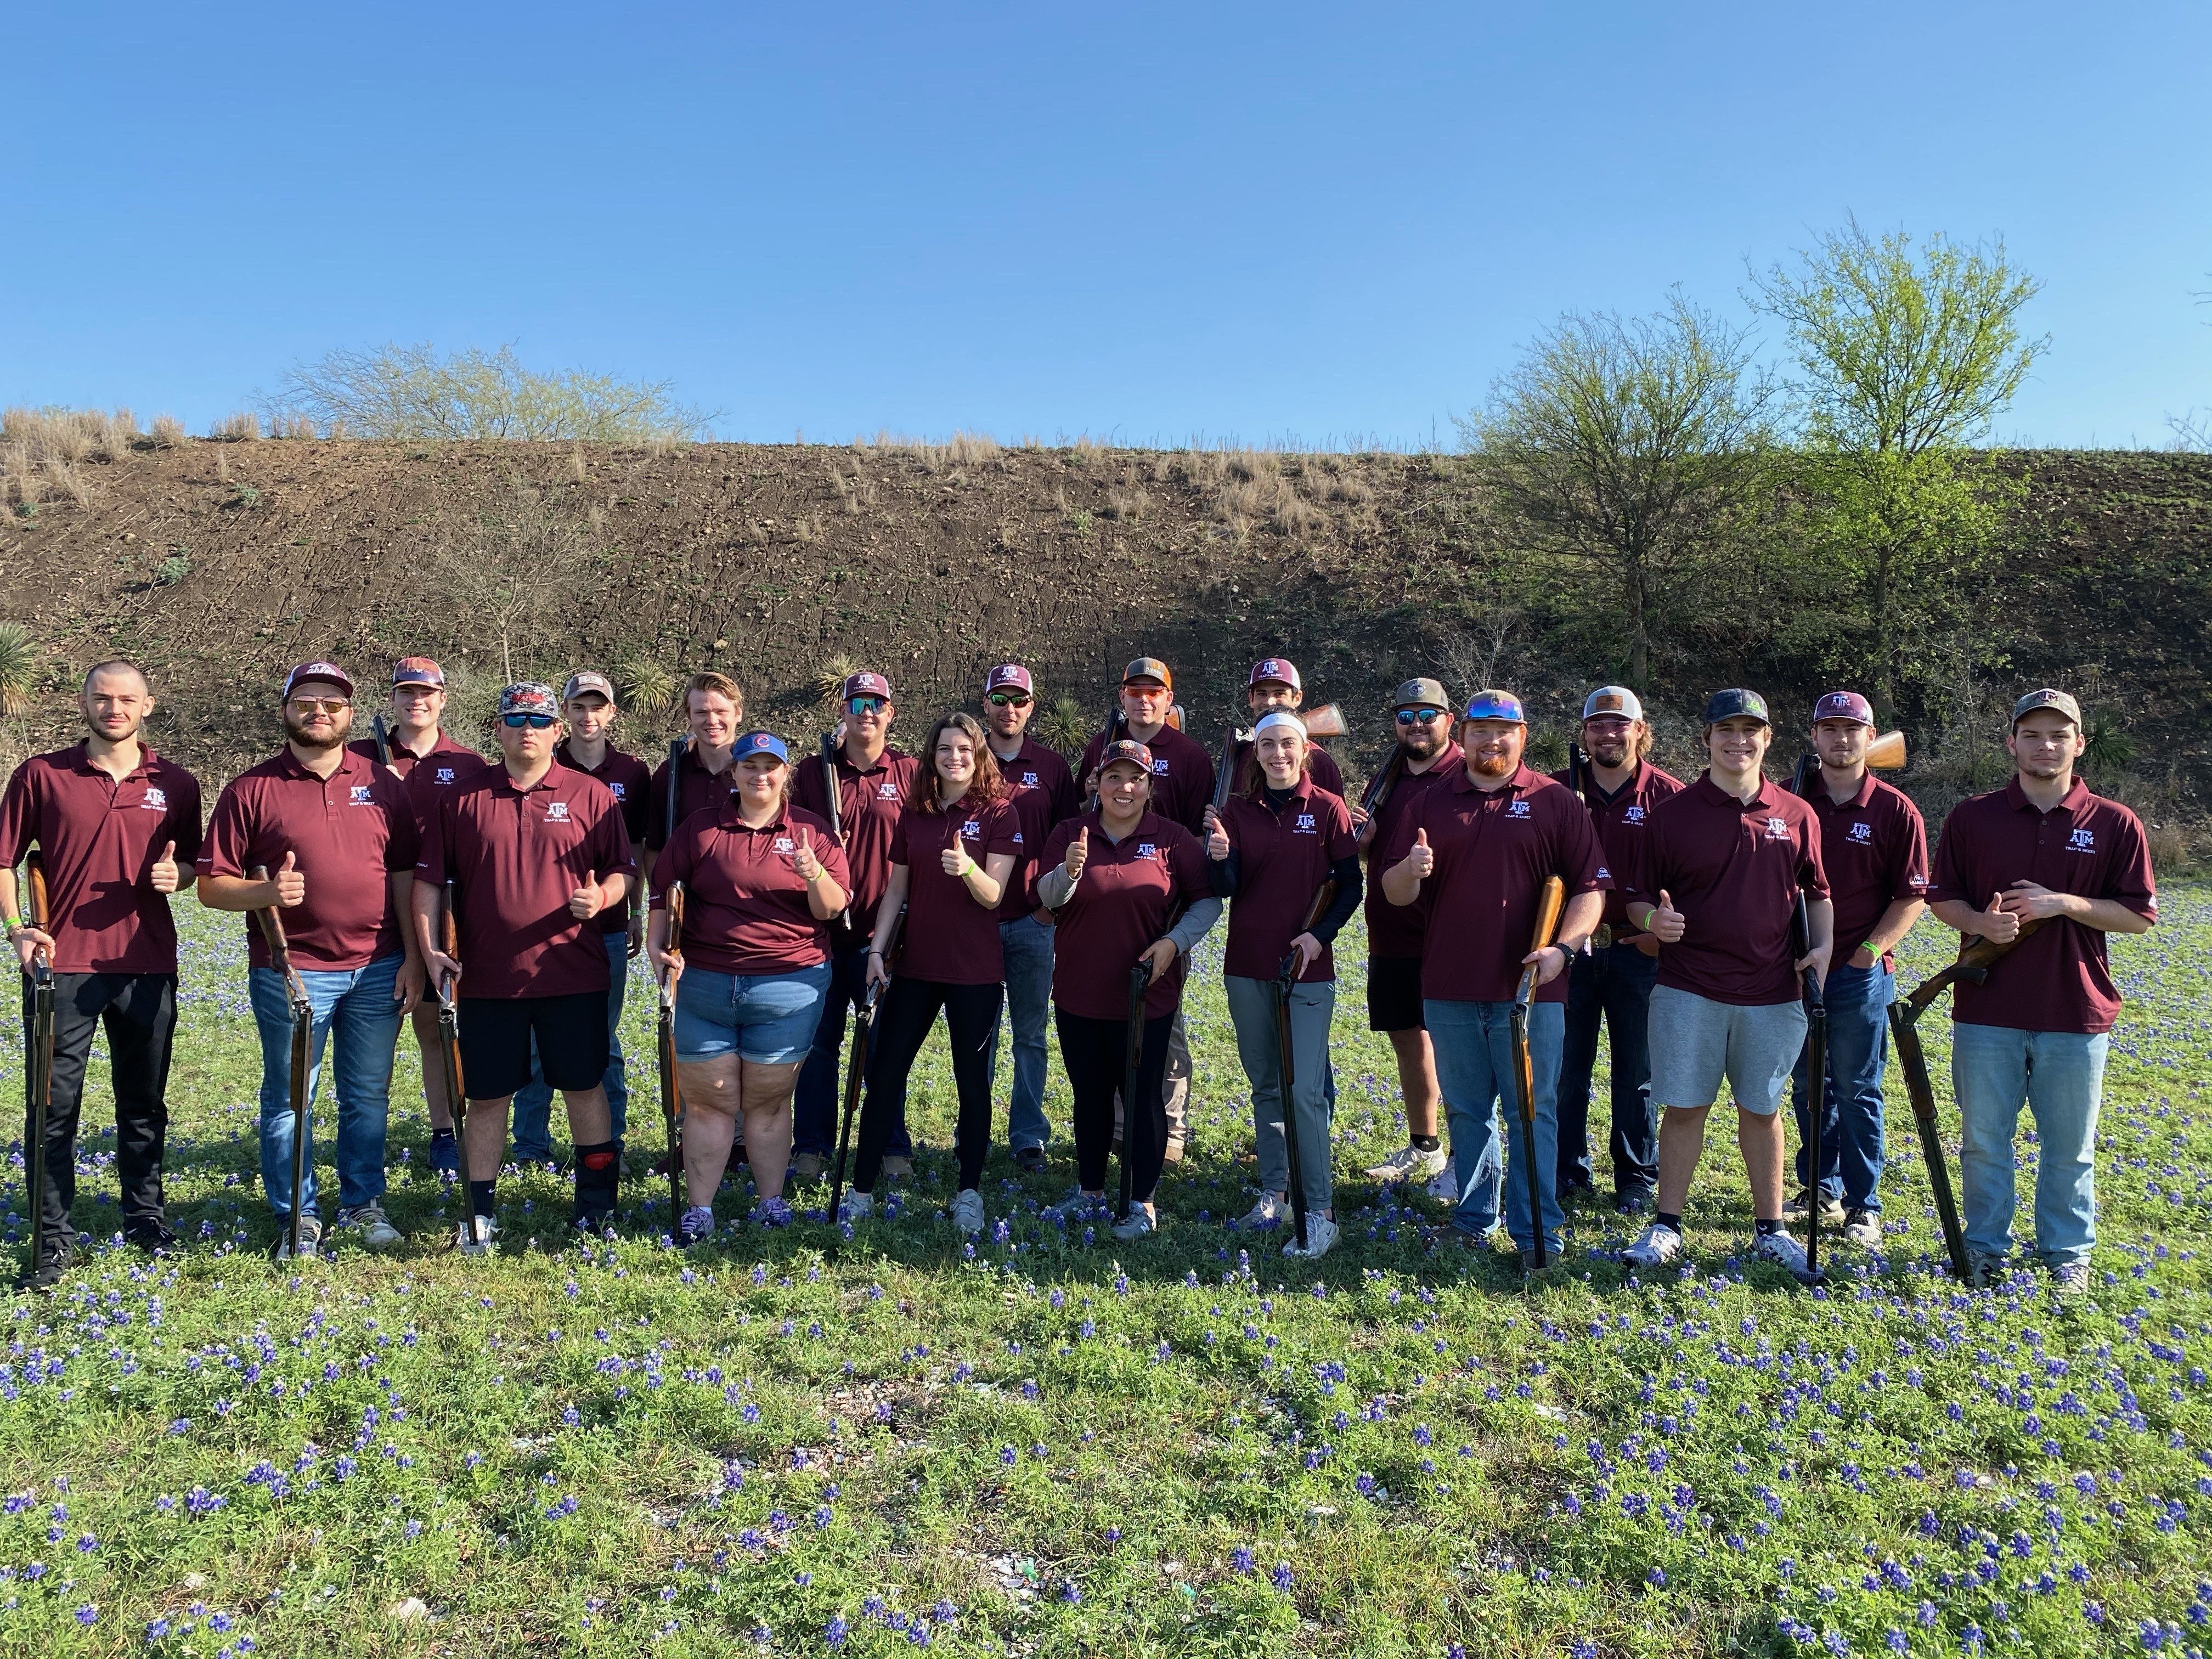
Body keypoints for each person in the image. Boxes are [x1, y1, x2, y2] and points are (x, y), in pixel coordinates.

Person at [1926, 688, 2155, 1294]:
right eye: (2033, 734)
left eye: (2059, 735)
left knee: (2070, 1148)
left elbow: (2138, 915)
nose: (2045, 745)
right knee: (1982, 1141)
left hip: (2075, 1011)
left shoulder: (2114, 822)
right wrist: (1979, 923)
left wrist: (2063, 905)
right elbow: (1941, 896)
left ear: (2079, 744)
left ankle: (2066, 1254)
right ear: (2012, 743)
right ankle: (1984, 1248)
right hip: (1986, 1008)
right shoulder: (1973, 817)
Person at [197, 662, 427, 1257]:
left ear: (350, 715)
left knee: (368, 1095)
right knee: (291, 1097)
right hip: (291, 969)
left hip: (378, 967)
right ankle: (297, 1214)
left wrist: (413, 958)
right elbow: (212, 885)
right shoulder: (250, 789)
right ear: (286, 710)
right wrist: (266, 894)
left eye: (332, 703)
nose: (319, 712)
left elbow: (402, 876)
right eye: (306, 701)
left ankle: (362, 1204)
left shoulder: (384, 784)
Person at [1380, 691, 1606, 1271]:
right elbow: (1393, 892)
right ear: (1465, 736)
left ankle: (1539, 1231)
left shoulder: (1556, 802)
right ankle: (1474, 1219)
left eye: (1504, 731)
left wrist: (1563, 948)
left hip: (1534, 990)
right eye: (1481, 731)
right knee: (1466, 1109)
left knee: (1533, 1112)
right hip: (1450, 984)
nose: (1492, 741)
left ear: (1523, 737)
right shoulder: (1429, 803)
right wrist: (1408, 870)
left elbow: (1589, 889)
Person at [1617, 690, 1830, 1279]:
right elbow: (1635, 899)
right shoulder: (1673, 815)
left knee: (1761, 1110)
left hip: (1773, 991)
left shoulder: (1797, 814)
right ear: (1706, 739)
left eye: (1751, 731)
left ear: (1768, 738)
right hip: (1690, 988)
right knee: (1684, 1108)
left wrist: (1824, 949)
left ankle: (1771, 1229)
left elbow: (1817, 892)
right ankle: (1667, 1225)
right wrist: (1652, 922)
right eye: (1726, 731)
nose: (1739, 741)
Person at [1, 661, 201, 1286]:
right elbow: (4, 860)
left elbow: (193, 865)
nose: (114, 709)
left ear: (148, 705)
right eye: (102, 699)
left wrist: (181, 878)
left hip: (146, 964)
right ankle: (52, 1236)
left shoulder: (177, 782)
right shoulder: (41, 775)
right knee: (53, 1107)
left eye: (126, 700)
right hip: (61, 967)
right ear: (84, 703)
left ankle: (145, 1218)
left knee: (144, 1104)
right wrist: (18, 929)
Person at [414, 684, 636, 1251]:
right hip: (488, 979)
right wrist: (430, 950)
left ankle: (595, 1207)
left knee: (585, 1088)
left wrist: (603, 900)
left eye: (540, 720)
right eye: (516, 719)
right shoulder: (463, 799)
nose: (528, 729)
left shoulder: (592, 796)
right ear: (498, 729)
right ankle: (479, 1214)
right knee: (487, 1097)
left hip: (574, 974)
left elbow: (621, 872)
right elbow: (429, 883)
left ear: (558, 730)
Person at [648, 732, 850, 1243]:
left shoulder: (813, 832)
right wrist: (657, 946)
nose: (761, 776)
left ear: (786, 775)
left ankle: (770, 1201)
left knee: (769, 1100)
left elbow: (833, 908)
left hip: (789, 984)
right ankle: (701, 1209)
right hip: (706, 984)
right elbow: (663, 891)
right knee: (710, 1101)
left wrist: (813, 873)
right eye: (750, 766)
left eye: (771, 767)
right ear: (733, 774)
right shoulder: (701, 829)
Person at [840, 713, 1020, 1232]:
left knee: (972, 1084)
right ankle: (862, 1189)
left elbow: (995, 896)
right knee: (886, 1074)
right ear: (931, 756)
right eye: (945, 749)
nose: (955, 757)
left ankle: (969, 1191)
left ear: (979, 754)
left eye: (965, 749)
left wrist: (967, 868)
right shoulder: (914, 814)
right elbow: (896, 890)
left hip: (975, 974)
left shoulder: (1000, 814)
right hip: (917, 967)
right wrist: (877, 950)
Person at [1036, 741, 1221, 1240]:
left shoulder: (1173, 840)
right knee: (1089, 1095)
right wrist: (1069, 872)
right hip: (1079, 993)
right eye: (1114, 777)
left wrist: (1173, 944)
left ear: (1150, 787)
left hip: (1147, 998)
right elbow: (1046, 899)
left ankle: (1142, 1202)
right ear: (1097, 783)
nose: (1126, 787)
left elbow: (1207, 903)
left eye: (1136, 778)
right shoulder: (1069, 834)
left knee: (1142, 1101)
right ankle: (1090, 1189)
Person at [1205, 711, 1362, 1258]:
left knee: (1306, 1093)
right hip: (1246, 966)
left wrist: (1319, 936)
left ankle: (1319, 1210)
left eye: (1287, 744)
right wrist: (1220, 858)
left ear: (1305, 751)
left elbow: (1350, 886)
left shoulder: (1328, 809)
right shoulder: (1237, 812)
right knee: (1267, 1085)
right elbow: (1227, 888)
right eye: (1267, 745)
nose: (1277, 754)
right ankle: (1275, 1192)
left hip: (1307, 972)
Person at [1784, 691, 1927, 1250]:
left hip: (1859, 970)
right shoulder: (1790, 800)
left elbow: (1912, 895)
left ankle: (1864, 1204)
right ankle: (1820, 1185)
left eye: (1853, 729)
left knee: (1858, 1090)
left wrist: (1871, 950)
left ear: (1872, 739)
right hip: (1797, 968)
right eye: (1830, 729)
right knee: (1806, 1086)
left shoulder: (1896, 809)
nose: (1841, 740)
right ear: (1814, 737)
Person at [350, 656, 489, 1177]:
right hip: (378, 908)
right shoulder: (359, 758)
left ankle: (460, 1125)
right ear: (392, 700)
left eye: (426, 693)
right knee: (404, 1028)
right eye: (406, 693)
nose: (416, 702)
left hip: (447, 908)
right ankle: (426, 1130)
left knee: (447, 1024)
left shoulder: (470, 764)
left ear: (443, 699)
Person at [1076, 658, 1216, 1164]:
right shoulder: (1102, 745)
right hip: (1107, 897)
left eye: (1154, 691)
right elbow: (1083, 810)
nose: (1144, 699)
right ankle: (1119, 1124)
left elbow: (1203, 829)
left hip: (1167, 905)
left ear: (1168, 699)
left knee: (1164, 1022)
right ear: (1123, 696)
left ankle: (1171, 1127)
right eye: (1135, 690)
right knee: (1108, 1019)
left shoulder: (1192, 756)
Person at [1550, 686, 1682, 1215]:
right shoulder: (1553, 793)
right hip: (1571, 953)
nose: (1609, 733)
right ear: (1584, 735)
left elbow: (1688, 877)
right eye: (1598, 725)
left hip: (1639, 954)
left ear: (1640, 730)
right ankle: (1565, 1168)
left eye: (1619, 724)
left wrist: (1658, 936)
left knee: (1637, 1075)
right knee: (1566, 1070)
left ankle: (1635, 1177)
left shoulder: (1671, 797)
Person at [511, 672, 652, 1165]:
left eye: (598, 707)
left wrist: (634, 912)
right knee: (531, 1041)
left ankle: (607, 1142)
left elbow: (631, 852)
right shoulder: (541, 760)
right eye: (578, 707)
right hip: (538, 932)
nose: (588, 716)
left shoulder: (634, 772)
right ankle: (530, 1143)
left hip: (607, 930)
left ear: (612, 712)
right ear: (563, 715)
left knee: (602, 1039)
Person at [792, 672, 919, 1180]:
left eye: (878, 704)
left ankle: (891, 1144)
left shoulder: (910, 772)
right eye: (858, 702)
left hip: (883, 939)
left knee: (884, 1050)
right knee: (819, 1046)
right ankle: (812, 1146)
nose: (867, 711)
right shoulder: (811, 772)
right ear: (842, 710)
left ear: (891, 713)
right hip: (821, 935)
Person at [1352, 679, 1462, 1192]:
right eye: (1406, 715)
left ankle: (1467, 1156)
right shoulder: (1390, 775)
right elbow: (1381, 854)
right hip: (1391, 932)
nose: (1416, 724)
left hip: (1447, 936)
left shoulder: (1465, 774)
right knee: (1408, 1040)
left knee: (1457, 1046)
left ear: (1449, 720)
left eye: (1427, 714)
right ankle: (1426, 1146)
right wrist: (1366, 843)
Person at [978, 664, 1078, 1174]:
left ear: (1032, 707)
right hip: (977, 922)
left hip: (1033, 921)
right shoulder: (967, 759)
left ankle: (1028, 1136)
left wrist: (1047, 908)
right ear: (986, 704)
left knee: (1031, 1034)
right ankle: (972, 1129)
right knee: (980, 1034)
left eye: (1019, 700)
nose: (1009, 708)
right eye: (1000, 698)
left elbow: (1068, 837)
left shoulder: (1053, 767)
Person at [644, 670, 749, 871]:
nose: (712, 720)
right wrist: (662, 897)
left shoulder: (757, 775)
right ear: (689, 715)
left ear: (738, 713)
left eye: (721, 712)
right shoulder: (670, 774)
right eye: (701, 712)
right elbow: (655, 849)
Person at [1228, 657, 1345, 798]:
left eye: (1279, 694)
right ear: (1251, 699)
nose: (1270, 702)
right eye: (1262, 694)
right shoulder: (1241, 751)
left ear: (1297, 698)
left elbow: (1333, 813)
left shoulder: (1320, 761)